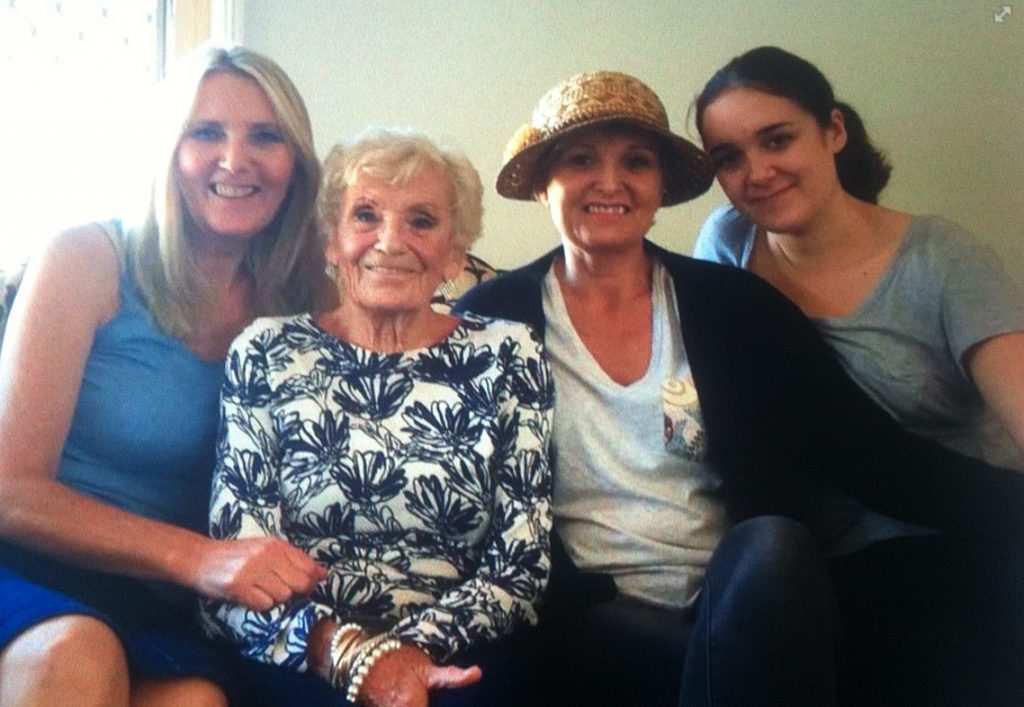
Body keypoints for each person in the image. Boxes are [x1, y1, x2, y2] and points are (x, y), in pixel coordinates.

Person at [455, 70, 1024, 706]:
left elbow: (868, 453)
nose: (610, 182)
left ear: (661, 186)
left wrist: (1011, 504)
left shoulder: (734, 304)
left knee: (776, 547)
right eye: (581, 160)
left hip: (744, 605)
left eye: (635, 162)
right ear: (542, 183)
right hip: (581, 618)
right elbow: (471, 507)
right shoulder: (488, 321)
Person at [0, 45, 330, 706]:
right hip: (35, 567)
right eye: (205, 132)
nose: (235, 161)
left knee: (197, 703)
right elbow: (9, 489)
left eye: (265, 137)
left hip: (167, 603)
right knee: (76, 653)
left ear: (295, 163)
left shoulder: (310, 297)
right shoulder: (88, 256)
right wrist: (197, 557)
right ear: (168, 151)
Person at [201, 128, 553, 707]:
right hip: (301, 649)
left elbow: (520, 563)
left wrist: (407, 654)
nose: (391, 241)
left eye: (421, 221)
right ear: (331, 243)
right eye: (366, 216)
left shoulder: (509, 354)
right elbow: (239, 553)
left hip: (454, 651)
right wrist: (345, 652)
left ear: (455, 252)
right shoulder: (266, 353)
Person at [692, 46, 1024, 470]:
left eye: (777, 140)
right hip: (800, 527)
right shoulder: (727, 242)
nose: (756, 174)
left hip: (954, 516)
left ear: (833, 131)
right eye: (729, 158)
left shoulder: (944, 259)